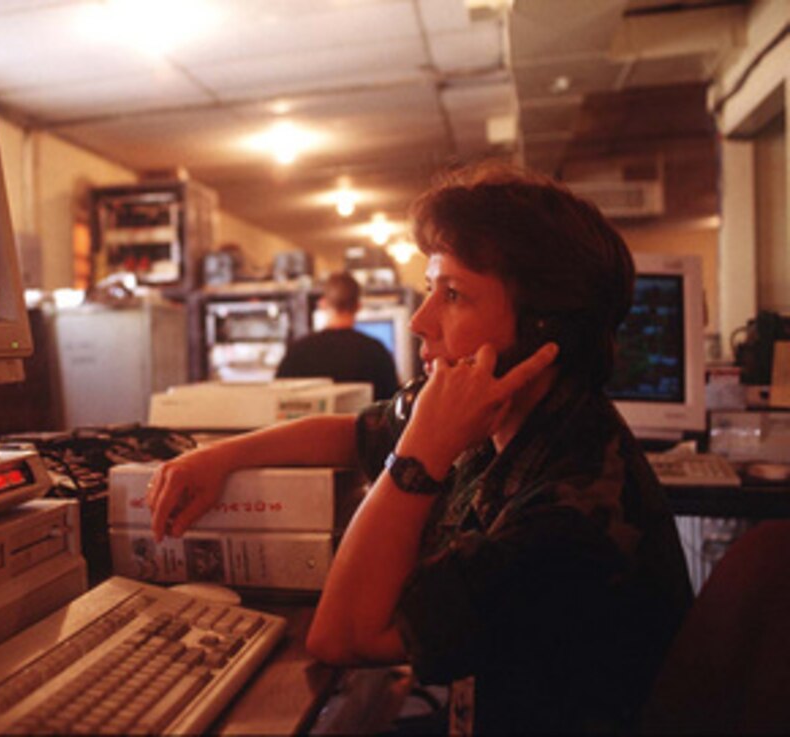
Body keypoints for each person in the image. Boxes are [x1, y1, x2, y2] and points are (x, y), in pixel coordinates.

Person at [145, 163, 694, 734]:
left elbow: (344, 635)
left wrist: (420, 458)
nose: (419, 321)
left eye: (453, 294)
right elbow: (353, 431)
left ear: (540, 334)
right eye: (431, 289)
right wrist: (219, 456)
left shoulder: (570, 518)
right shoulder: (505, 413)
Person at [276, 271, 399, 400]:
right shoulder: (376, 351)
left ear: (323, 304)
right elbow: (390, 406)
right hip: (358, 421)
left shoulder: (298, 351)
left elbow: (279, 400)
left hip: (313, 421)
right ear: (358, 306)